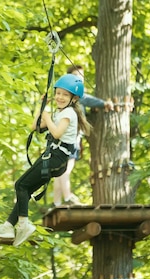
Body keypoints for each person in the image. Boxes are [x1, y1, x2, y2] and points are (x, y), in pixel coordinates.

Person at [0, 74, 91, 246]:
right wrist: (41, 108)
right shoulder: (60, 112)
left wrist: (47, 117)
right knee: (24, 191)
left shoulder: (69, 113)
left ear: (74, 98)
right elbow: (35, 126)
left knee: (20, 185)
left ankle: (23, 224)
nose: (60, 97)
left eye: (65, 95)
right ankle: (8, 226)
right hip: (54, 158)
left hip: (56, 157)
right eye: (58, 93)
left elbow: (56, 133)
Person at [51, 64, 113, 207]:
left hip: (62, 137)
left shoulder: (63, 97)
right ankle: (68, 198)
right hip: (70, 137)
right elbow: (88, 99)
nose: (80, 80)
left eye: (81, 77)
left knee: (60, 170)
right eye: (77, 77)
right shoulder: (74, 95)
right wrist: (104, 103)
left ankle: (57, 202)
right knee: (67, 167)